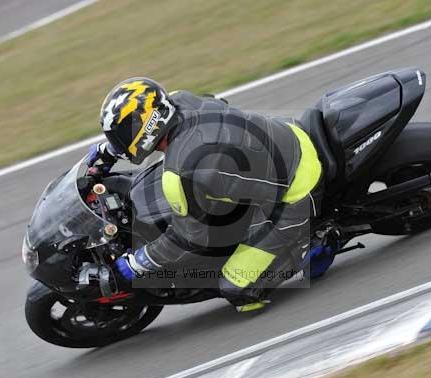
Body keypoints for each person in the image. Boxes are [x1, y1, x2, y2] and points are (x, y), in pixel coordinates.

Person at [88, 77, 336, 312]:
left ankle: (311, 245)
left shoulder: (182, 173)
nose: (119, 143)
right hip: (286, 135)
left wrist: (139, 262)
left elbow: (186, 239)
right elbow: (215, 104)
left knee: (236, 288)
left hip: (299, 191)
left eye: (120, 138)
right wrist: (108, 152)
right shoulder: (180, 100)